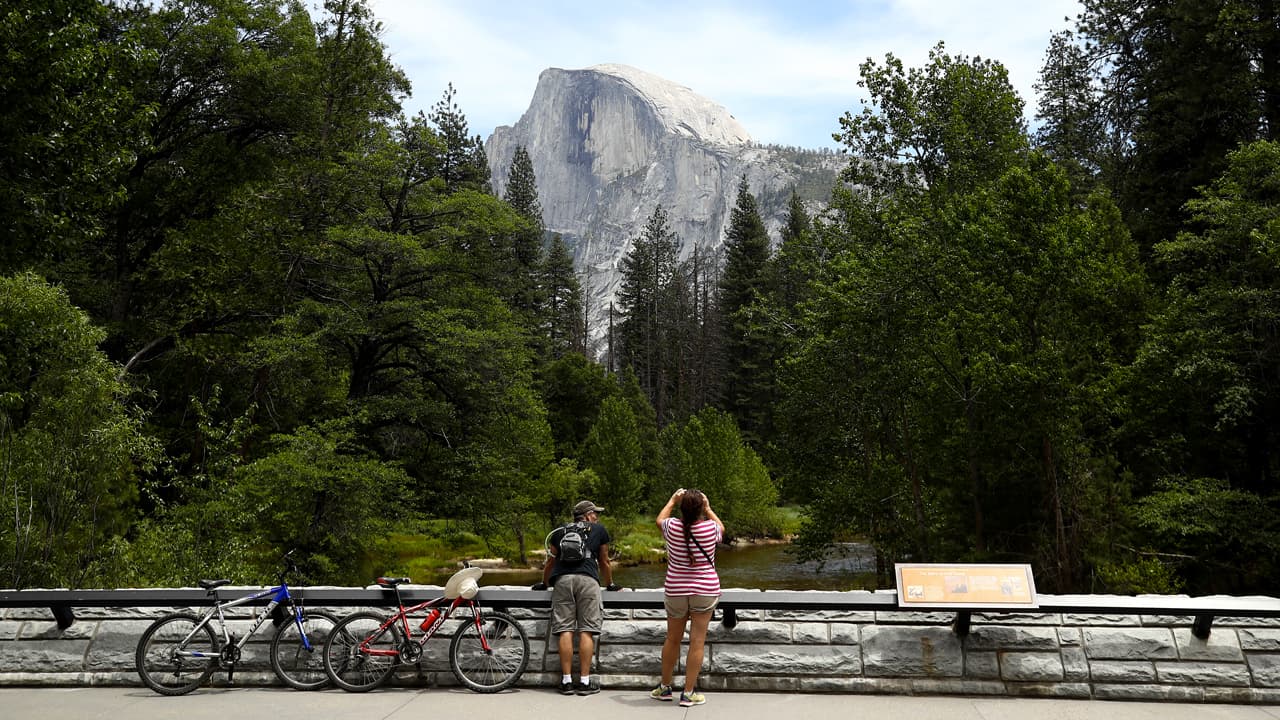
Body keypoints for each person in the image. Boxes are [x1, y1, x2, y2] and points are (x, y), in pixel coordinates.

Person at [535, 499, 617, 695]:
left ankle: (566, 681)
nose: (597, 517)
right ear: (587, 515)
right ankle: (585, 682)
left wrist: (545, 584)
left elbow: (550, 562)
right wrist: (610, 585)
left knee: (565, 630)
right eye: (595, 513)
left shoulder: (559, 531)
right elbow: (604, 562)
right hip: (588, 581)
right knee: (587, 631)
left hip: (562, 581)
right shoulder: (598, 530)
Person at [651, 487, 723, 707]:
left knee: (672, 638)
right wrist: (708, 508)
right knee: (697, 641)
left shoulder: (672, 526)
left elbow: (659, 519)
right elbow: (722, 527)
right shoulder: (710, 528)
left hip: (676, 590)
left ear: (682, 508)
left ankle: (665, 688)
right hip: (705, 590)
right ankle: (688, 693)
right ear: (701, 508)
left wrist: (672, 499)